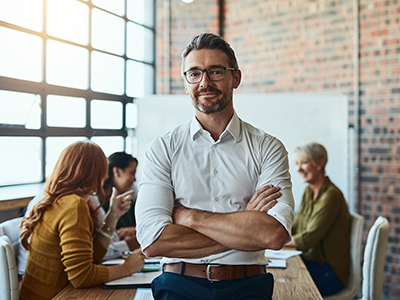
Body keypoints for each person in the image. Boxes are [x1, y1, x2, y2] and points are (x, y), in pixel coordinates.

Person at [135, 32, 295, 300]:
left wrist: (188, 216)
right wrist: (244, 221)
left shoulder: (268, 148)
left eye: (216, 72)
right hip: (178, 285)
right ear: (186, 84)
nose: (205, 82)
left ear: (236, 78)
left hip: (248, 287)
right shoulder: (163, 149)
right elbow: (153, 242)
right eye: (194, 73)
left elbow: (273, 234)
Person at [19, 141, 145, 300]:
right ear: (96, 172)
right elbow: (81, 277)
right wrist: (127, 268)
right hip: (56, 296)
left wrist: (113, 215)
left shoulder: (62, 199)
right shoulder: (74, 205)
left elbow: (92, 258)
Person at [286, 142, 351, 297]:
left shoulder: (331, 196)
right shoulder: (309, 191)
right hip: (311, 263)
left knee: (284, 286)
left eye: (304, 162)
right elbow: (296, 226)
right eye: (297, 163)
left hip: (329, 272)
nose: (298, 168)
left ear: (320, 163)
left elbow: (308, 239)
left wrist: (273, 242)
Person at [102, 152, 138, 242]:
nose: (135, 179)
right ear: (117, 171)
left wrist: (134, 230)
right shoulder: (98, 202)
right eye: (132, 173)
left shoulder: (129, 200)